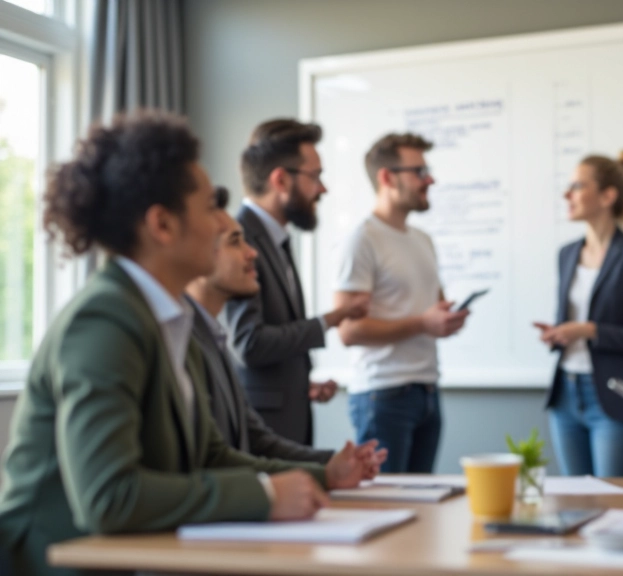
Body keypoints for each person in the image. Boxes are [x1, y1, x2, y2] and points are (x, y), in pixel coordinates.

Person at [0, 112, 382, 576]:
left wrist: (323, 476)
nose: (223, 220)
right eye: (207, 207)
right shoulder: (103, 320)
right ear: (162, 225)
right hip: (52, 564)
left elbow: (210, 454)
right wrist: (263, 496)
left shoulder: (168, 320)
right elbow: (109, 497)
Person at [186, 186, 387, 466]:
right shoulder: (184, 341)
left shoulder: (213, 336)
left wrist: (335, 463)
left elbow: (256, 441)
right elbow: (215, 461)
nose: (251, 253)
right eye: (235, 242)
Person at [226, 119, 369, 445]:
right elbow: (249, 344)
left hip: (285, 419)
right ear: (280, 180)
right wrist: (332, 319)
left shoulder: (276, 240)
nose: (323, 188)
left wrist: (297, 385)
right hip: (261, 433)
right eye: (315, 176)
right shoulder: (241, 240)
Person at [334, 132, 469, 473]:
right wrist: (423, 323)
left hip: (427, 390)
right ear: (386, 177)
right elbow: (348, 331)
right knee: (388, 506)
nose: (430, 179)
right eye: (419, 171)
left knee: (421, 509)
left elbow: (429, 310)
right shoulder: (362, 240)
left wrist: (444, 320)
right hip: (383, 396)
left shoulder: (423, 240)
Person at [532, 151, 623, 477]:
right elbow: (568, 322)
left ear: (607, 195)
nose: (566, 194)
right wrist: (558, 334)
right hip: (565, 396)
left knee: (613, 503)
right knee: (575, 502)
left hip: (613, 397)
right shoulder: (567, 254)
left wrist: (588, 330)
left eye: (577, 185)